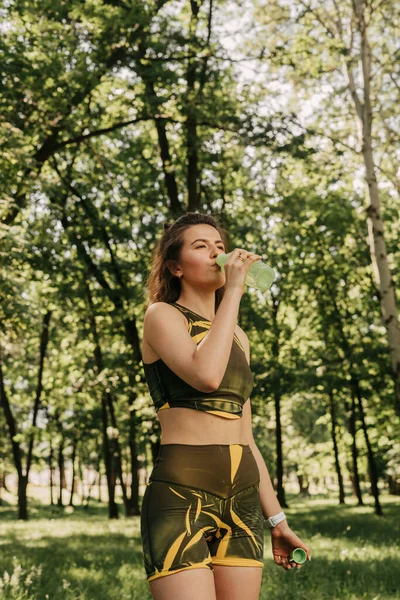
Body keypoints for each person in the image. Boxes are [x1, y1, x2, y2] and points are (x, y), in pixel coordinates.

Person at [140, 212, 311, 600]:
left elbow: (245, 434)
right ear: (175, 266)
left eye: (220, 246)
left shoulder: (237, 336)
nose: (218, 253)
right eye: (201, 246)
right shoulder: (162, 316)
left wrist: (278, 521)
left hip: (244, 497)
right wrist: (233, 291)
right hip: (181, 493)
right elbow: (206, 376)